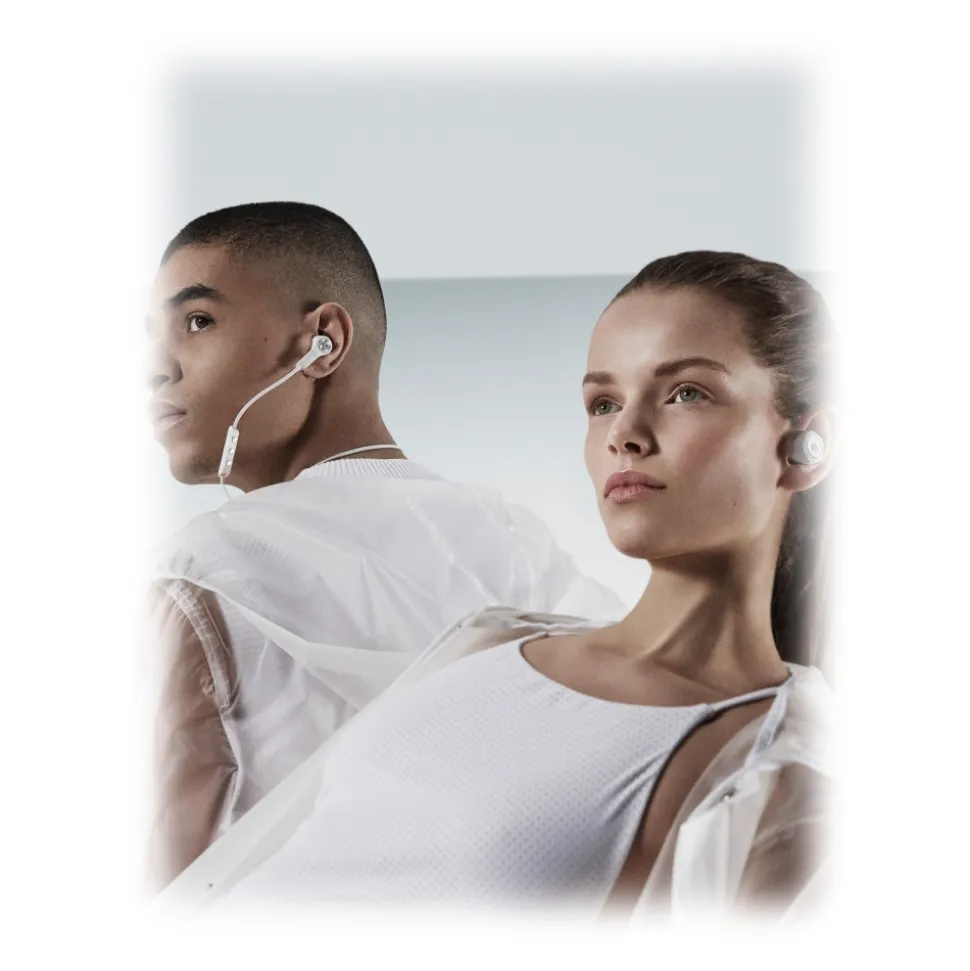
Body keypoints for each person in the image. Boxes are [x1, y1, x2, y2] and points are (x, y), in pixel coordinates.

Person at [160, 250, 837, 919]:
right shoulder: (491, 639)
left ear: (805, 447)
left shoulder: (782, 776)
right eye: (603, 403)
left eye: (686, 393)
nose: (624, 435)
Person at [145, 201, 626, 887]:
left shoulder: (201, 573)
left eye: (197, 321)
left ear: (324, 341)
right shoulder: (518, 539)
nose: (154, 368)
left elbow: (158, 885)